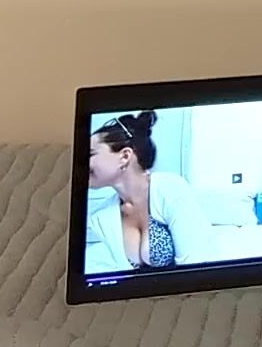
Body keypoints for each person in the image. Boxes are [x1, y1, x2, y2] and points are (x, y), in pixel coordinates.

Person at [85, 111, 216, 272]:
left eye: (90, 154)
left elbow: (195, 265)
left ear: (125, 156)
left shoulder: (170, 189)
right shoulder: (100, 217)